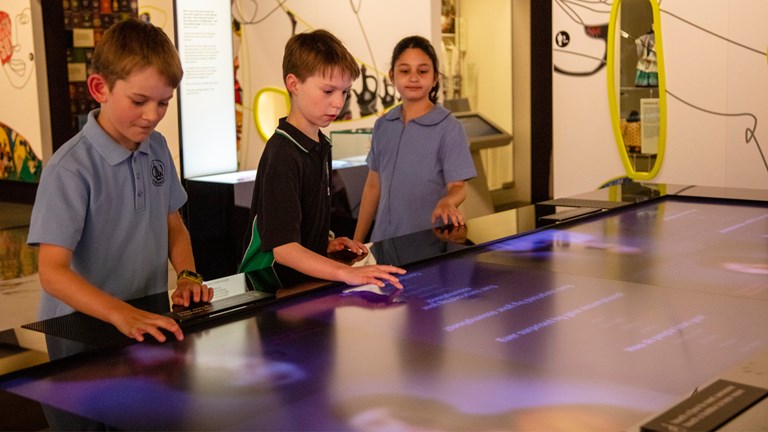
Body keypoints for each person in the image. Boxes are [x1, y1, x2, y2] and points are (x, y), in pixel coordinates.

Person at [27, 18, 213, 350]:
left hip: (143, 320)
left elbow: (173, 225)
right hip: (81, 335)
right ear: (100, 88)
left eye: (163, 102)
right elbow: (52, 272)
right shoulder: (69, 169)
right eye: (139, 101)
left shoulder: (156, 147)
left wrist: (188, 276)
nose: (152, 115)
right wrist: (119, 313)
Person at [240, 29, 405, 288]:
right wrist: (346, 273)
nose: (338, 103)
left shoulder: (320, 144)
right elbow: (283, 249)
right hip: (272, 288)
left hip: (303, 282)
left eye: (344, 92)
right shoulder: (283, 153)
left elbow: (302, 221)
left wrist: (324, 241)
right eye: (328, 91)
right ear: (293, 84)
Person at [353, 35, 476, 244]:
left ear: (435, 77)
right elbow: (373, 187)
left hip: (428, 244)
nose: (413, 78)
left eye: (422, 71)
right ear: (392, 76)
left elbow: (458, 187)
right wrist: (357, 241)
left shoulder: (449, 127)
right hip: (382, 244)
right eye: (404, 70)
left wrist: (448, 202)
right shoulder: (383, 125)